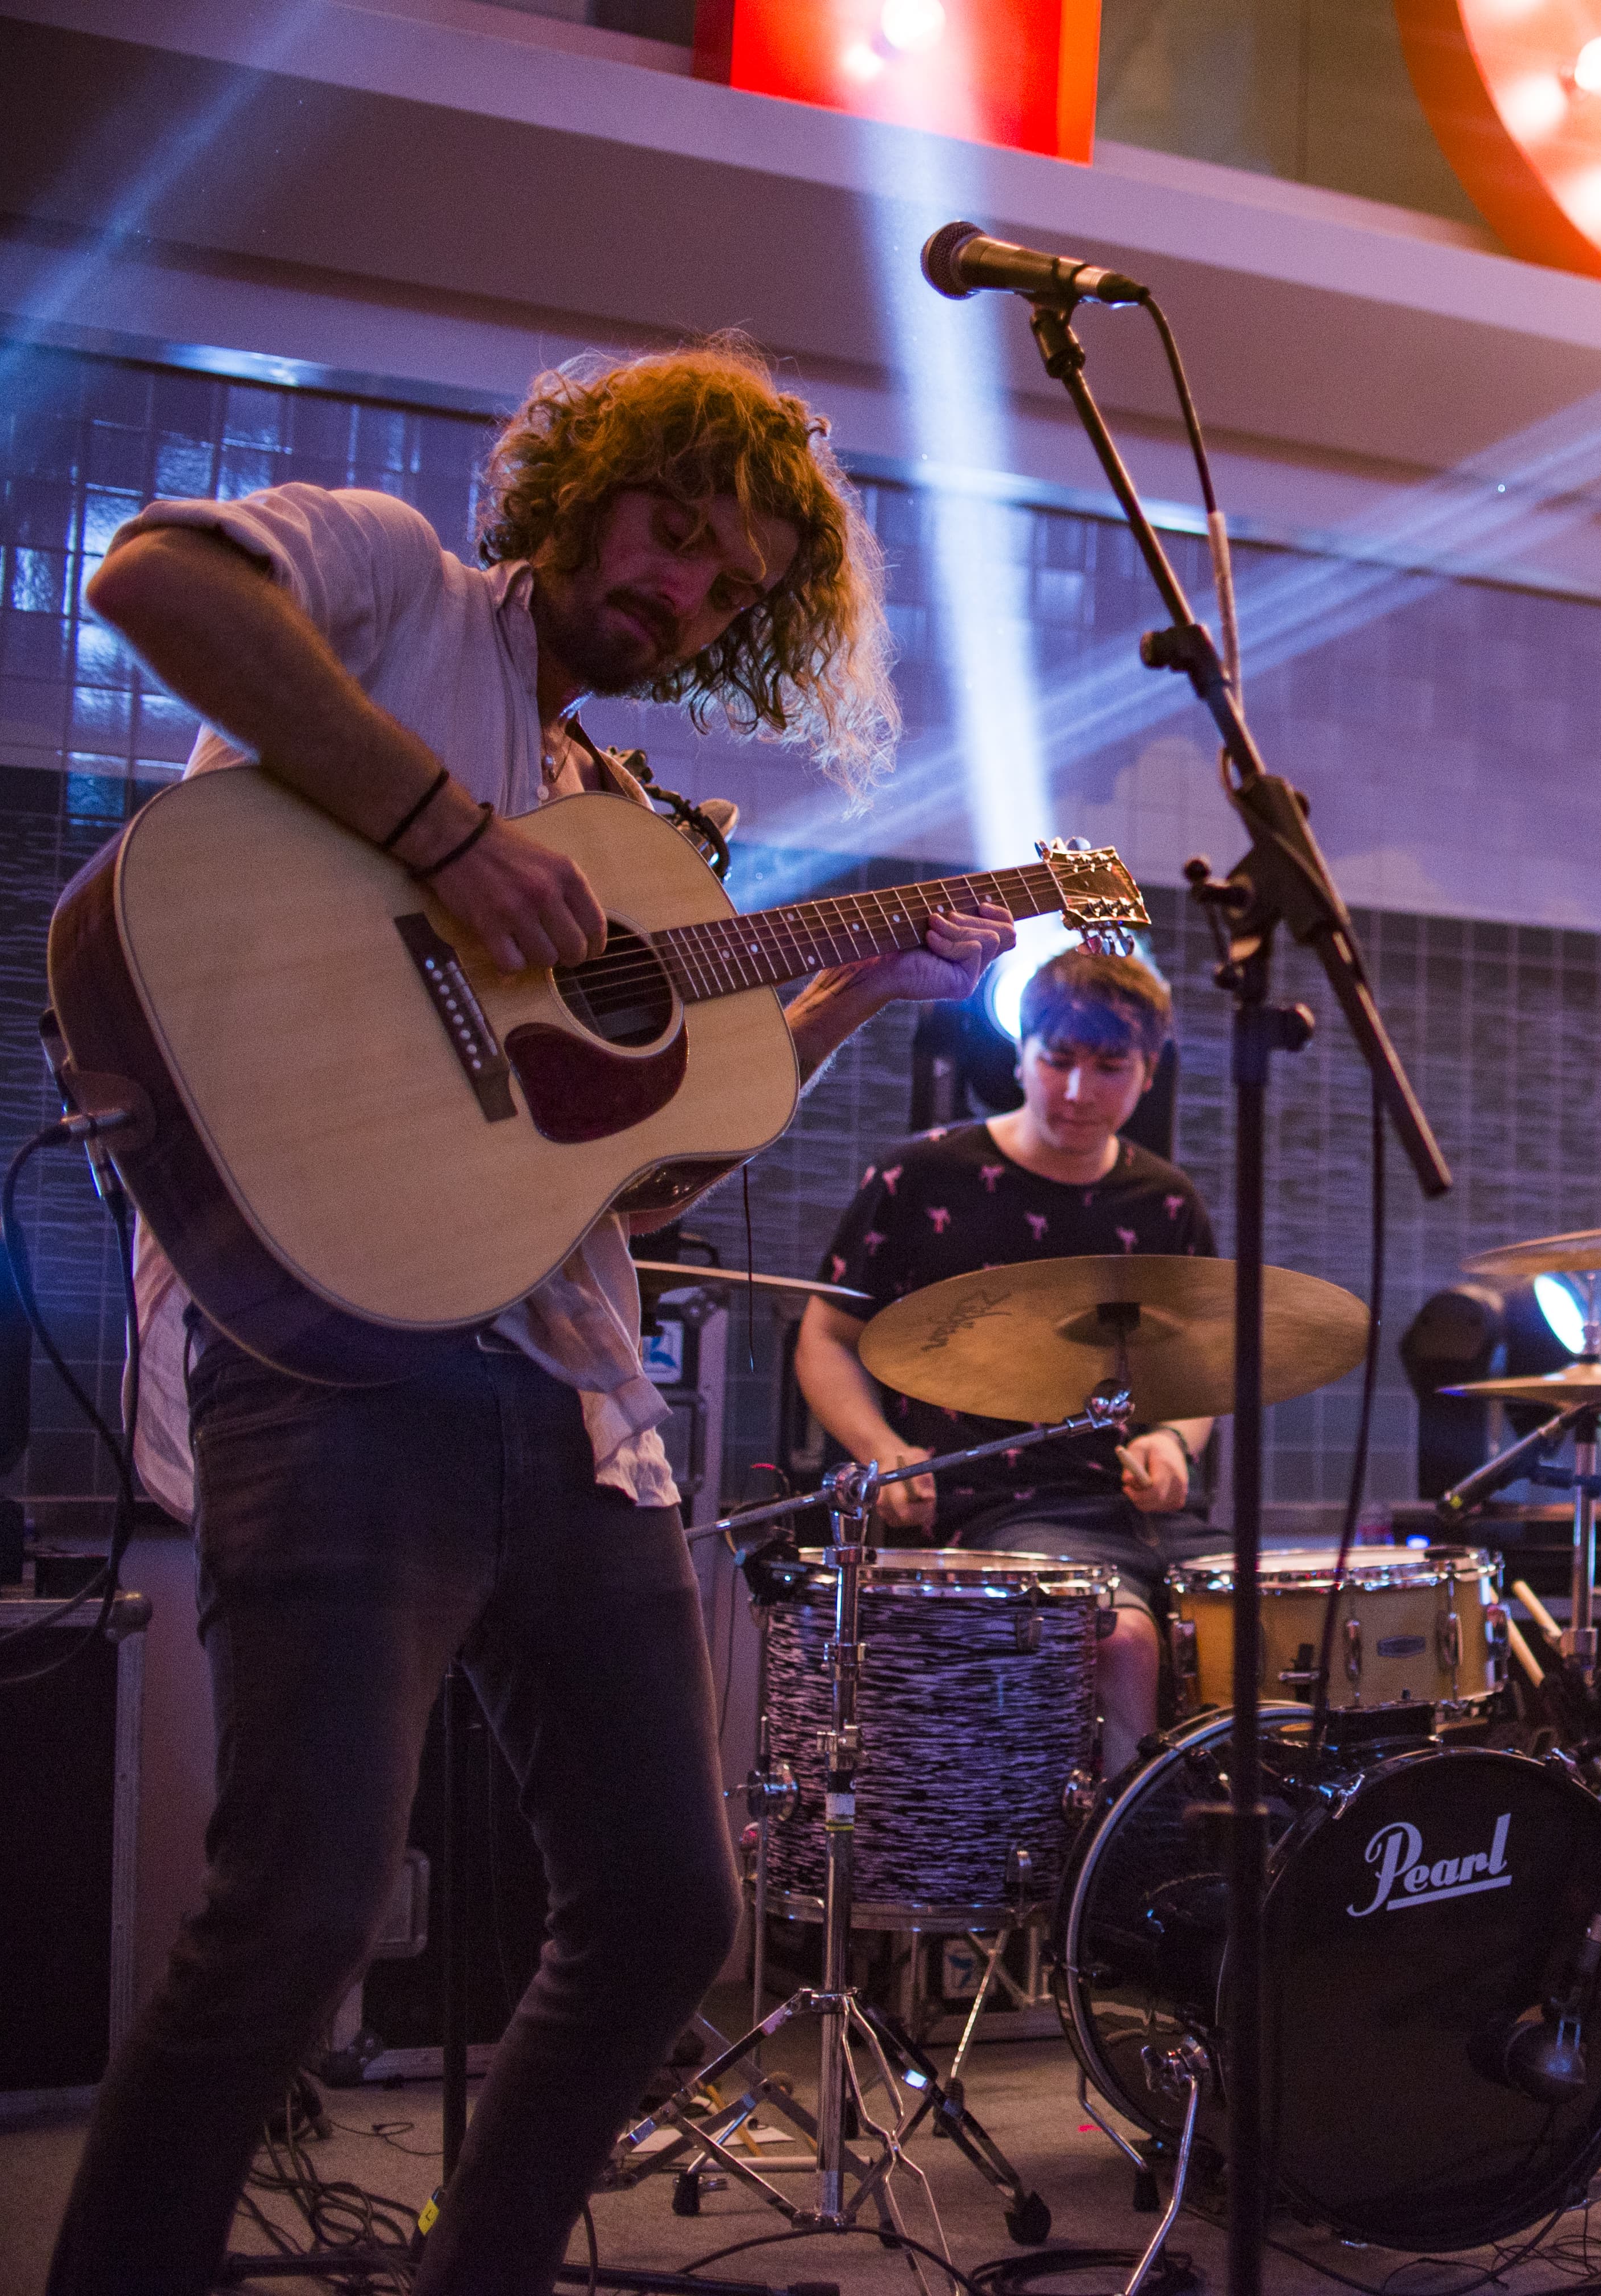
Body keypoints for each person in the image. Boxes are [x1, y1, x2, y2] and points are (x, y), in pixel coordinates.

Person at [54, 342, 1019, 2296]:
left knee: (667, 1908)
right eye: (674, 534)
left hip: (574, 1402)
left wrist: (847, 997)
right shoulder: (397, 587)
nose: (682, 593)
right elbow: (154, 579)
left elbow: (635, 1176)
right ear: (581, 485)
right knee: (303, 1914)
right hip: (333, 1368)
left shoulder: (613, 810)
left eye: (733, 588)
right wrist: (438, 835)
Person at [793, 947, 1219, 1764]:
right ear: (1021, 1053)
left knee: (1279, 1616)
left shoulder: (1168, 1200)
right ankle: (1122, 1869)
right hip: (997, 1508)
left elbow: (1198, 1369)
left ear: (1149, 1070)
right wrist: (883, 1454)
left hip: (1144, 1514)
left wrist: (1174, 1441)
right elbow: (827, 1336)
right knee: (1121, 1642)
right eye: (1057, 1061)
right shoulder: (921, 1173)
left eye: (1109, 1067)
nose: (1076, 1092)